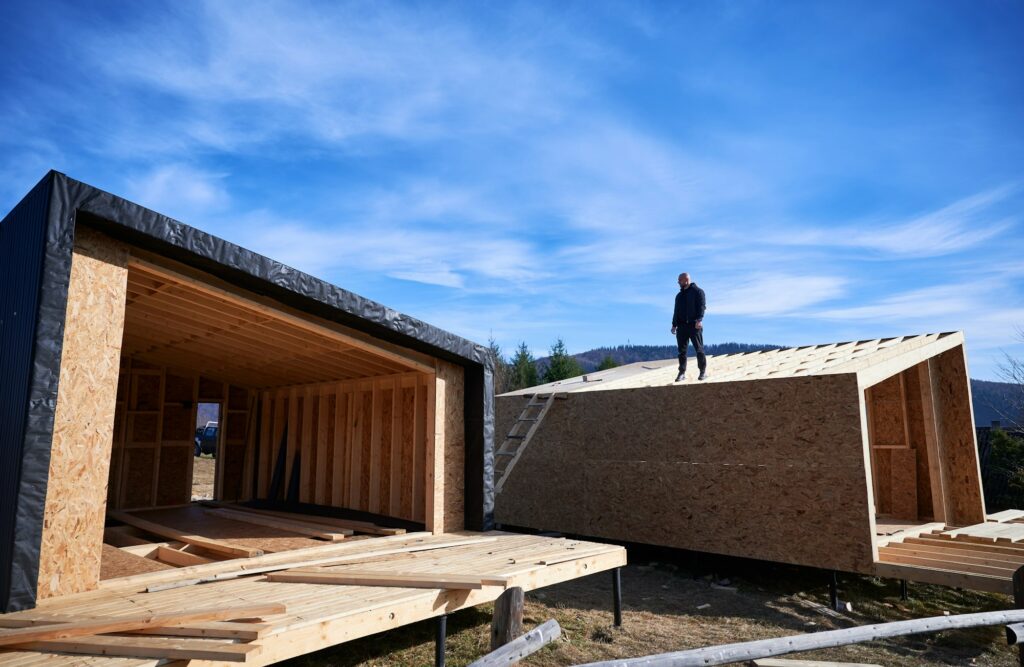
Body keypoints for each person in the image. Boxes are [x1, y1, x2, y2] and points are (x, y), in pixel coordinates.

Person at [670, 272, 706, 381]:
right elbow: (676, 311)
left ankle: (702, 372)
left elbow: (702, 306)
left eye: (679, 280)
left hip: (694, 325)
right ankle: (682, 373)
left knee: (699, 349)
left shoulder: (698, 292)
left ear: (686, 280)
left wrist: (699, 320)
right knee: (681, 351)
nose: (678, 283)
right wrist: (674, 324)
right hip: (682, 327)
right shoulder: (679, 296)